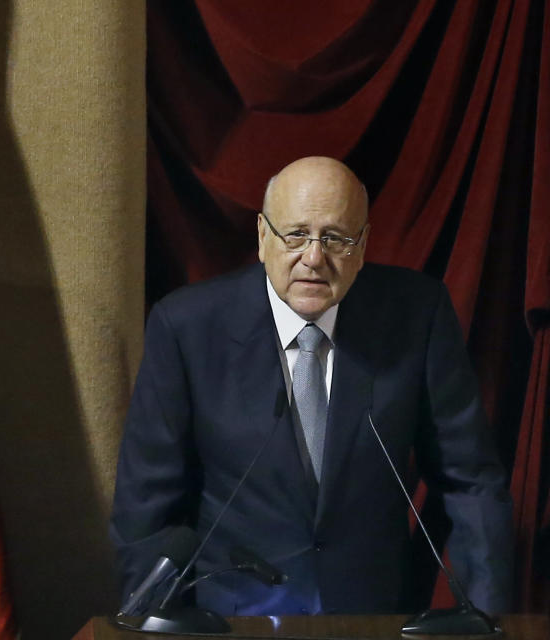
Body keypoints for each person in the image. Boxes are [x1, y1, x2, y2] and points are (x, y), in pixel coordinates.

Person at [110, 156, 513, 617]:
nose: (314, 258)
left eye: (336, 238)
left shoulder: (417, 317)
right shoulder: (187, 329)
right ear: (263, 237)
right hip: (232, 622)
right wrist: (152, 624)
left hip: (371, 619)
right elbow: (145, 508)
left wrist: (488, 621)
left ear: (362, 246)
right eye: (295, 234)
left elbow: (471, 483)